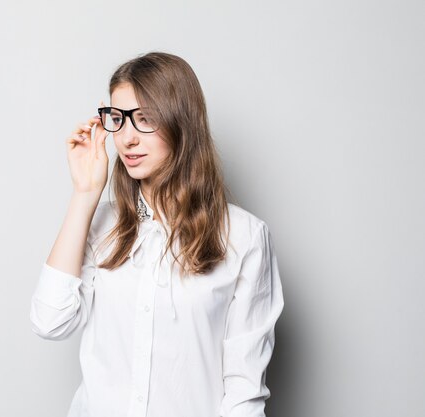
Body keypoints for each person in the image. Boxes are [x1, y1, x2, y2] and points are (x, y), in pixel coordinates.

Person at [29, 51, 285, 417]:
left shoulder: (244, 237)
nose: (127, 139)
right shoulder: (101, 224)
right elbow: (50, 321)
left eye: (145, 119)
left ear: (181, 122)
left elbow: (244, 391)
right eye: (118, 119)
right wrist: (85, 194)